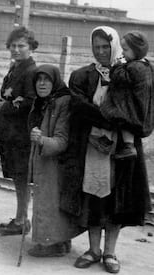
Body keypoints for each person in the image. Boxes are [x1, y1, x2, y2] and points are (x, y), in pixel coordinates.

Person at [63, 26, 152, 274]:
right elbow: (79, 107)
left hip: (123, 148)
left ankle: (110, 252)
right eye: (97, 47)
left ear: (114, 46)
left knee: (117, 200)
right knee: (94, 196)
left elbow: (139, 107)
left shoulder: (129, 74)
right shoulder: (83, 76)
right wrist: (109, 119)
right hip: (92, 144)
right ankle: (93, 249)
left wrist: (119, 123)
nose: (101, 52)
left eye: (106, 46)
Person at [27, 65, 84, 257]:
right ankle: (57, 241)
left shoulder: (62, 102)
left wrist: (41, 140)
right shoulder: (42, 101)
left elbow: (62, 140)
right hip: (47, 160)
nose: (42, 83)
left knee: (50, 201)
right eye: (38, 79)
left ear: (55, 81)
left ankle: (52, 244)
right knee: (48, 200)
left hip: (58, 162)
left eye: (47, 79)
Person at [0, 26, 38, 235]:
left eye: (21, 46)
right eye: (13, 46)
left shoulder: (31, 71)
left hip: (21, 133)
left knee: (22, 177)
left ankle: (21, 220)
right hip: (10, 132)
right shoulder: (15, 69)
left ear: (31, 48)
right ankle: (20, 217)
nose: (16, 50)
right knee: (18, 178)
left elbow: (31, 101)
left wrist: (6, 108)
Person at [100, 30, 154, 159]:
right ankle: (127, 146)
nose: (123, 53)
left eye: (125, 50)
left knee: (117, 115)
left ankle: (127, 147)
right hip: (143, 109)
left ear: (136, 50)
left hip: (133, 110)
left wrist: (117, 66)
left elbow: (120, 77)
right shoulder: (147, 66)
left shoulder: (134, 67)